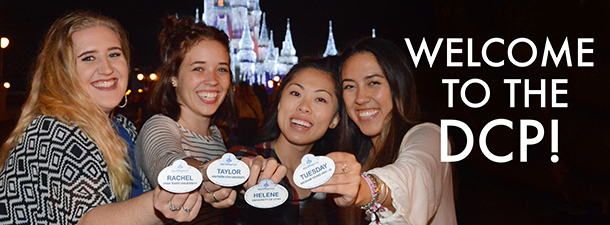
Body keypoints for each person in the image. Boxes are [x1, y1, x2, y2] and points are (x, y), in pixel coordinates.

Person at [0, 11, 202, 224]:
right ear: (61, 72)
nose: (106, 69)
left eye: (114, 54)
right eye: (88, 58)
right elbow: (87, 219)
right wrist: (162, 202)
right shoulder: (51, 131)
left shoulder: (123, 128)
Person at [135, 15, 284, 224]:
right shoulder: (160, 126)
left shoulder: (214, 135)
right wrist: (213, 172)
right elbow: (172, 166)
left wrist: (249, 176)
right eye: (198, 68)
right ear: (174, 77)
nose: (213, 80)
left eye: (221, 69)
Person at [312, 38, 457, 225]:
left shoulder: (429, 135)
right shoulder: (356, 157)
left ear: (398, 85)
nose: (361, 98)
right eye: (349, 86)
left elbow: (415, 174)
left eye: (373, 83)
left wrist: (365, 189)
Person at [226, 57, 342, 224]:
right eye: (296, 93)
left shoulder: (334, 177)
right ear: (279, 102)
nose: (304, 106)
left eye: (320, 99)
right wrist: (244, 174)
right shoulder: (249, 157)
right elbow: (238, 164)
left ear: (335, 119)